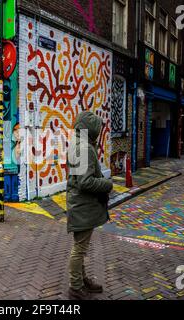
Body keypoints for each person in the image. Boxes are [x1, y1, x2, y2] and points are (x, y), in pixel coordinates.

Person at [66, 111, 113, 300]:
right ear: (90, 129)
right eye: (97, 128)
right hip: (83, 206)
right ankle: (76, 287)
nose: (99, 132)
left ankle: (81, 280)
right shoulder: (84, 147)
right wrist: (107, 184)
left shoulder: (78, 143)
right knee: (79, 249)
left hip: (81, 205)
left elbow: (79, 178)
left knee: (81, 247)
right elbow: (85, 182)